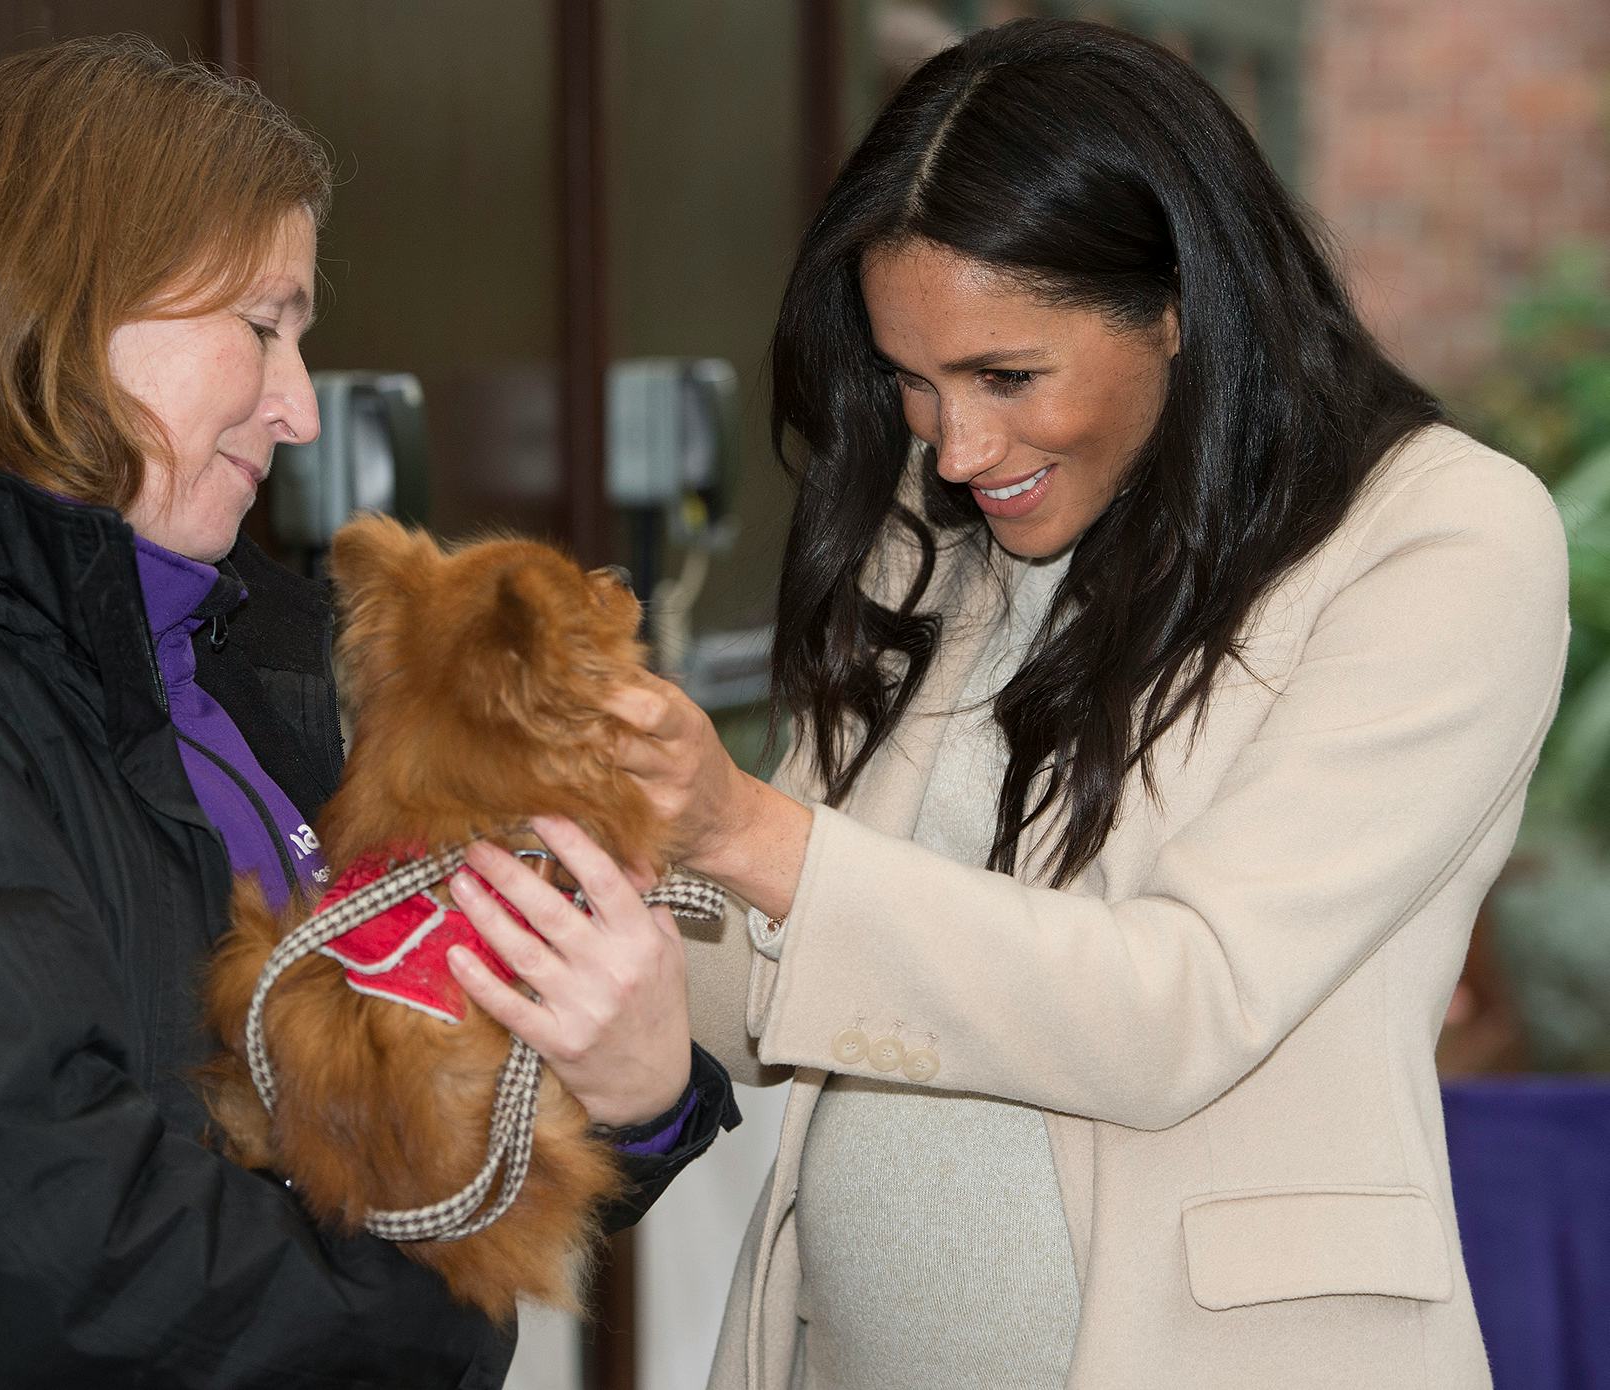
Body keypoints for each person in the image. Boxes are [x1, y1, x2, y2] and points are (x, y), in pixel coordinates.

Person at [0, 37, 731, 1390]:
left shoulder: (253, 647)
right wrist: (449, 1317)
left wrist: (638, 1097)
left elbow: (412, 1129)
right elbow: (49, 1246)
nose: (293, 408)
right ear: (71, 298)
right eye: (263, 326)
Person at [601, 19, 1568, 1390]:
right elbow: (772, 974)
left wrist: (749, 834)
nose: (957, 448)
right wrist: (601, 892)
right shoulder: (931, 526)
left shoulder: (1441, 537)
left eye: (1007, 375)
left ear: (1177, 303)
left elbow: (1180, 1001)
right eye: (912, 382)